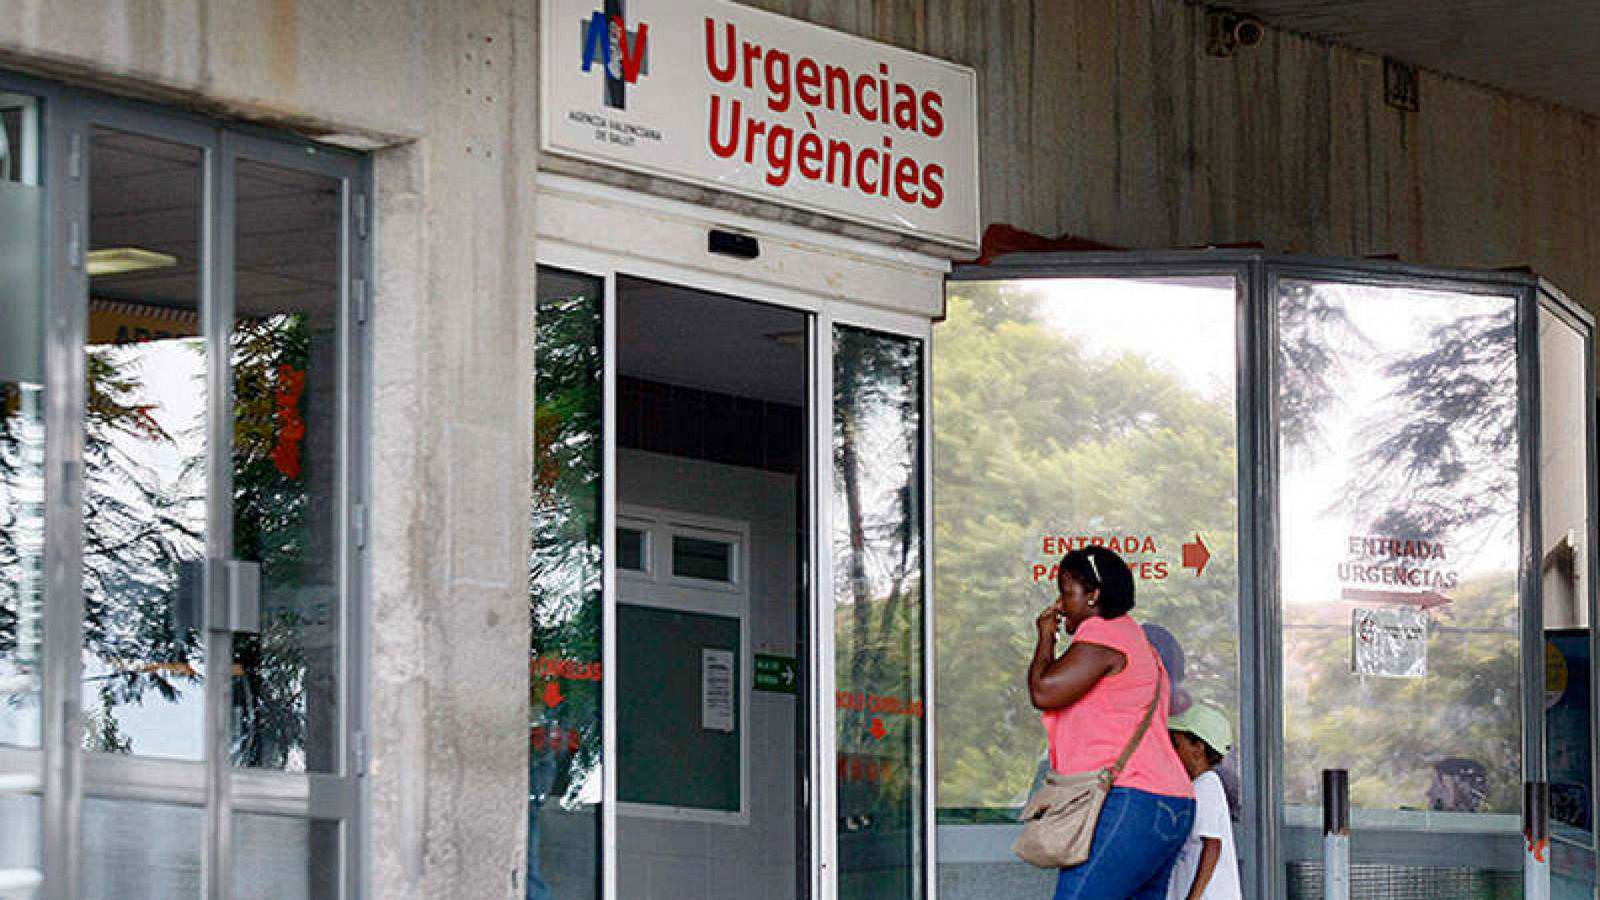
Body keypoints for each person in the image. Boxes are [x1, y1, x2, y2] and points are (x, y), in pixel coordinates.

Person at [1029, 546, 1196, 899]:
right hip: (1170, 805)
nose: (1059, 604)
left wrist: (1046, 636)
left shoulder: (1103, 633)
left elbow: (1043, 691)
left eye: (1066, 591)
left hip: (1131, 799)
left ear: (1094, 595)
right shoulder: (1140, 644)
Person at [1165, 704, 1242, 900]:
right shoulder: (1198, 786)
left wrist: (1194, 897)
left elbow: (1212, 845)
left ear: (1198, 749)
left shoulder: (1207, 785)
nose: (1172, 752)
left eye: (1176, 744)